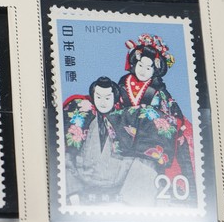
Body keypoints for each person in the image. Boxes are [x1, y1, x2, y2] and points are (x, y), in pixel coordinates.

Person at [116, 34, 196, 189]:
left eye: (148, 68)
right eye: (140, 65)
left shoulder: (158, 89)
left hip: (150, 137)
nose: (143, 71)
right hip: (125, 133)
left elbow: (170, 113)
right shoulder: (123, 84)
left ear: (155, 69)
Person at [62, 77, 156, 206]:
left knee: (147, 158)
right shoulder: (83, 115)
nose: (102, 102)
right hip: (83, 184)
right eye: (98, 97)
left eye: (107, 98)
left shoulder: (126, 118)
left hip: (119, 186)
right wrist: (73, 193)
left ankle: (130, 200)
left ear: (114, 98)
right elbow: (67, 154)